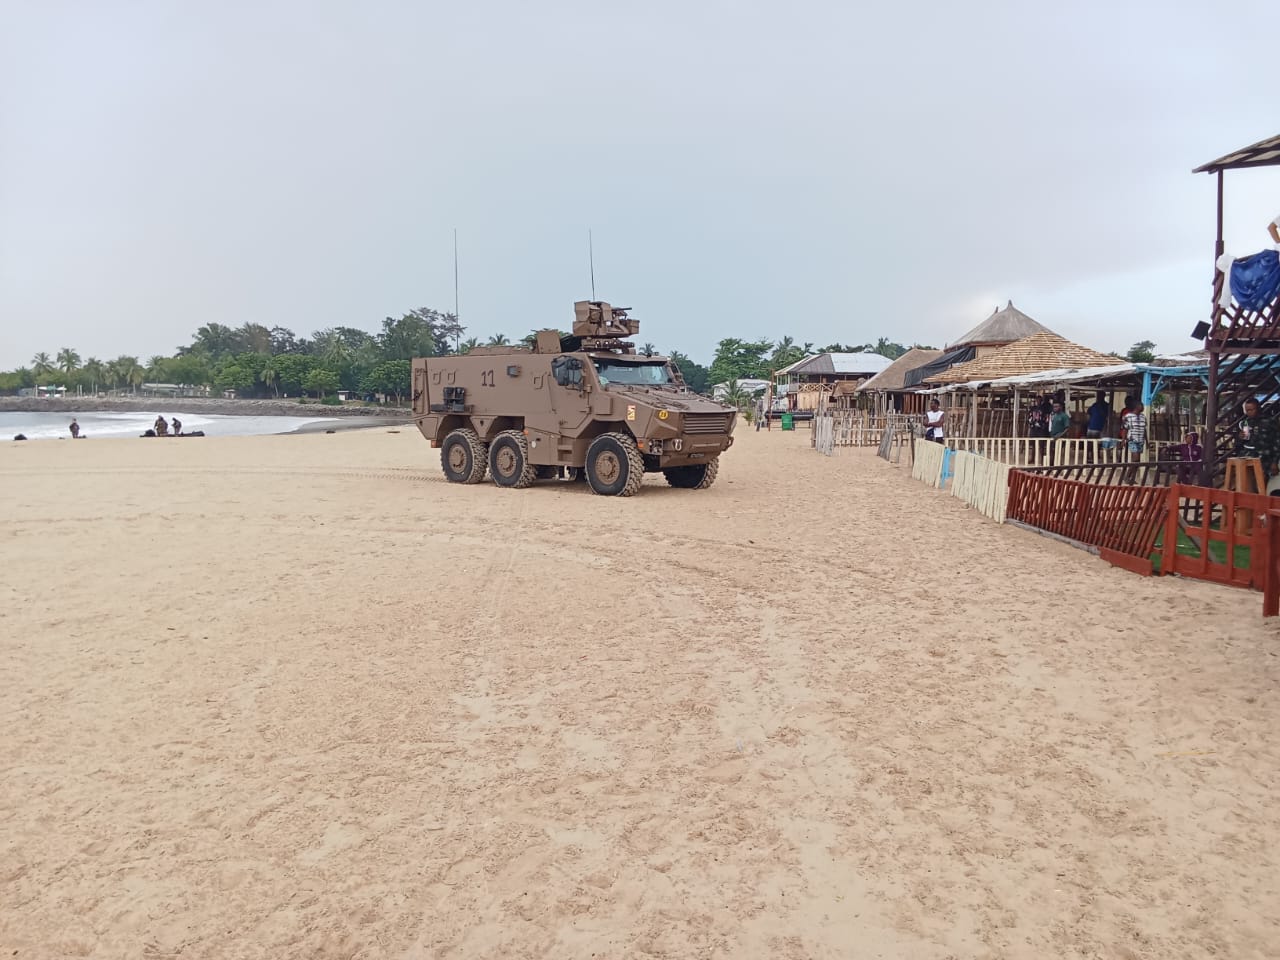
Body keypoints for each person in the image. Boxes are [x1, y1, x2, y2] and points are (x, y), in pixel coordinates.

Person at [1235, 397, 1279, 477]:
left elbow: (1277, 442)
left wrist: (1274, 462)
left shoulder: (1269, 421)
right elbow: (1239, 444)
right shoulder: (1245, 422)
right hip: (1248, 458)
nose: (1249, 412)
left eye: (1252, 409)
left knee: (1263, 481)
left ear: (1258, 408)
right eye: (1247, 410)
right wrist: (1240, 437)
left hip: (1265, 460)